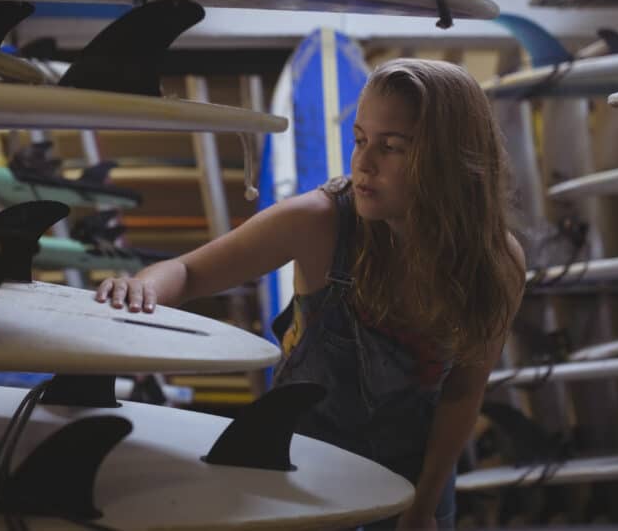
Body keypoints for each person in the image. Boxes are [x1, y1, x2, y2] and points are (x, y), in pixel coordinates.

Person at [95, 58, 526, 529]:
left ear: (449, 158)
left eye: (392, 147)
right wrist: (141, 288)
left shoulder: (495, 261)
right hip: (302, 465)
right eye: (360, 139)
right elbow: (185, 271)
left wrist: (422, 507)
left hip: (416, 476)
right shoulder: (320, 222)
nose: (363, 162)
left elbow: (463, 393)